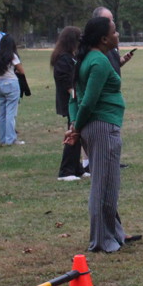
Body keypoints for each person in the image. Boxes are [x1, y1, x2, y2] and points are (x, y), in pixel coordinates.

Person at [64, 17, 140, 252]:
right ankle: (101, 240)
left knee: (108, 184)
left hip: (96, 127)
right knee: (103, 186)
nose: (118, 35)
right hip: (102, 128)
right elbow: (87, 101)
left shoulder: (88, 58)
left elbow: (73, 98)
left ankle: (114, 233)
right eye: (114, 32)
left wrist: (75, 125)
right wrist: (76, 128)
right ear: (104, 39)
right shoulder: (98, 62)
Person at [51, 26, 88, 181]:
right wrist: (76, 98)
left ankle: (77, 168)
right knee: (73, 133)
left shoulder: (71, 57)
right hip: (70, 101)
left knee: (78, 135)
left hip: (74, 99)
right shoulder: (63, 59)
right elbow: (67, 83)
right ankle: (66, 171)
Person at [0, 34, 26, 146]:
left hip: (0, 83)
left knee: (2, 113)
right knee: (11, 113)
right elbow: (21, 70)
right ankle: (11, 139)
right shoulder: (12, 56)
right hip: (11, 83)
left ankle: (2, 138)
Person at [92, 7, 135, 74]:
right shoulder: (93, 46)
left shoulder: (112, 42)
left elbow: (114, 65)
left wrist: (123, 60)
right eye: (108, 20)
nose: (112, 23)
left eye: (112, 20)